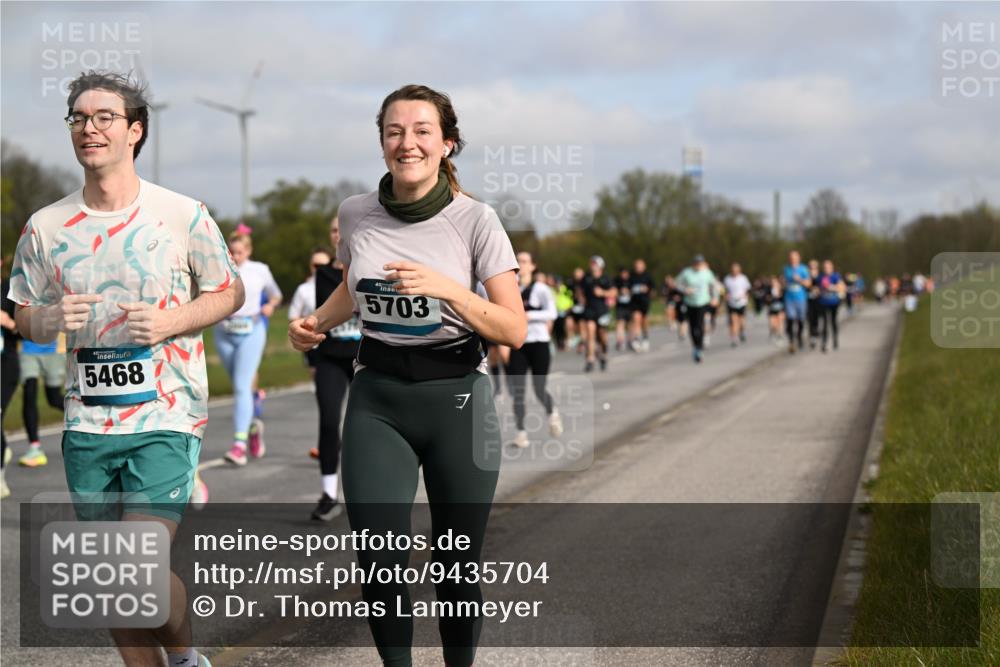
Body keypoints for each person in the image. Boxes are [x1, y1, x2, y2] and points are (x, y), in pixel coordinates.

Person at [9, 70, 242, 667]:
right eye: (78, 118)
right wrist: (49, 319)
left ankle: (185, 659)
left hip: (166, 412)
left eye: (104, 117)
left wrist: (172, 321)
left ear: (135, 131)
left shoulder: (181, 214)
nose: (89, 128)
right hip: (88, 423)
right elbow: (23, 316)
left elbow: (229, 291)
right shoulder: (45, 227)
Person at [288, 84, 525, 667]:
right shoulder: (355, 212)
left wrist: (448, 289)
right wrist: (316, 322)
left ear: (447, 144)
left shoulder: (476, 219)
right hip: (379, 398)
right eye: (394, 131)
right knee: (379, 560)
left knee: (456, 564)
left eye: (422, 131)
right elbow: (355, 288)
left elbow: (513, 329)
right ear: (381, 143)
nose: (407, 142)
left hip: (458, 400)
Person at [289, 239, 361, 520]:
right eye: (334, 230)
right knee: (330, 422)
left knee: (364, 426)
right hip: (329, 359)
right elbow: (305, 319)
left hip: (364, 358)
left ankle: (370, 492)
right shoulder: (320, 278)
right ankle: (329, 495)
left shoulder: (370, 268)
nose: (338, 234)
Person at [217, 232, 281, 466]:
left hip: (252, 331)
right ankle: (253, 425)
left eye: (240, 252)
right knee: (240, 386)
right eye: (232, 252)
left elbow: (276, 295)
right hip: (224, 332)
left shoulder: (260, 270)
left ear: (249, 251)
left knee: (242, 386)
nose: (235, 256)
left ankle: (239, 445)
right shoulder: (218, 268)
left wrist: (270, 306)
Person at [507, 252, 562, 448]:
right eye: (518, 261)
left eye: (524, 261)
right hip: (519, 345)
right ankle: (521, 433)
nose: (520, 265)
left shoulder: (541, 289)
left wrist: (530, 315)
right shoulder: (511, 288)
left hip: (539, 343)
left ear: (532, 266)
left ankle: (552, 413)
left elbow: (552, 313)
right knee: (518, 391)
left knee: (539, 388)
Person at [17, 333, 67, 467]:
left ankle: (83, 419)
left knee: (54, 399)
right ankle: (34, 447)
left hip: (54, 351)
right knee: (29, 393)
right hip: (28, 351)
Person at [676, 255, 718, 363]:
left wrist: (715, 298)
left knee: (700, 325)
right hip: (690, 303)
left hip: (703, 302)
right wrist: (685, 290)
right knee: (692, 326)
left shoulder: (707, 272)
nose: (698, 265)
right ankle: (695, 346)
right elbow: (677, 283)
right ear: (693, 263)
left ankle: (699, 347)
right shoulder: (686, 272)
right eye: (696, 263)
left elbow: (714, 285)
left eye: (700, 263)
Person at [1, 257, 19, 499]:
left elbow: (23, 329)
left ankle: (1, 477)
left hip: (5, 365)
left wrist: (7, 321)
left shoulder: (9, 289)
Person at [579, 255, 614, 372]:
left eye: (595, 264)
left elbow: (614, 292)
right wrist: (581, 298)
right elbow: (580, 290)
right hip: (589, 309)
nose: (593, 266)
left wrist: (603, 292)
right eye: (592, 263)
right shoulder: (586, 278)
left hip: (602, 310)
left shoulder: (606, 278)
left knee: (602, 335)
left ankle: (603, 354)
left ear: (600, 266)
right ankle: (590, 359)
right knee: (590, 333)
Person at [783, 250, 811, 354]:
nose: (793, 259)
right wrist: (783, 283)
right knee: (790, 320)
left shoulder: (803, 269)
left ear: (799, 258)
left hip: (801, 298)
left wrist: (799, 280)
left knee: (801, 320)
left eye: (794, 257)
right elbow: (783, 282)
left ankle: (799, 337)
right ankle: (791, 342)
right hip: (789, 298)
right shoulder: (786, 269)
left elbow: (808, 284)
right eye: (791, 257)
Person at [818, 259, 846, 352]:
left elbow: (842, 287)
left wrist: (831, 287)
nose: (826, 269)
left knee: (833, 321)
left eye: (828, 267)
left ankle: (835, 339)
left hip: (834, 302)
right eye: (825, 267)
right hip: (823, 302)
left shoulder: (836, 276)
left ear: (832, 268)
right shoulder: (820, 276)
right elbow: (817, 287)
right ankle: (824, 342)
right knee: (825, 323)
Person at [723, 262, 752, 347]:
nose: (734, 271)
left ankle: (742, 331)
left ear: (739, 270)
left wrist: (745, 295)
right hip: (731, 303)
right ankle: (734, 339)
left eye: (736, 270)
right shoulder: (727, 279)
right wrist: (726, 295)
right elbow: (724, 290)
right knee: (733, 321)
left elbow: (748, 289)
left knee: (741, 321)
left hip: (741, 302)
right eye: (733, 270)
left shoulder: (743, 278)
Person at [628, 258, 654, 351]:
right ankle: (636, 339)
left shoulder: (648, 276)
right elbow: (628, 288)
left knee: (644, 321)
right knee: (636, 319)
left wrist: (647, 290)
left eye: (640, 266)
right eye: (637, 266)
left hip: (645, 302)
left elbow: (653, 289)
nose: (638, 268)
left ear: (644, 266)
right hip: (635, 302)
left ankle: (645, 337)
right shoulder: (631, 276)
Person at [613, 266, 632, 352]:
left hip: (630, 306)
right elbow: (613, 291)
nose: (624, 275)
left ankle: (630, 340)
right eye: (622, 273)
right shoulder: (616, 281)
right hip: (620, 306)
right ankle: (620, 342)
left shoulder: (631, 281)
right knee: (620, 323)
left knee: (630, 324)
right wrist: (619, 291)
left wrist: (629, 291)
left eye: (625, 273)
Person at [806, 259, 822, 350]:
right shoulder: (806, 276)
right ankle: (812, 337)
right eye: (811, 267)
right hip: (808, 301)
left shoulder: (820, 276)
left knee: (816, 318)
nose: (812, 268)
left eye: (814, 266)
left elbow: (823, 286)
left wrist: (818, 289)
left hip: (818, 301)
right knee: (810, 319)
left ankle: (815, 333)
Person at [765, 276, 786, 345]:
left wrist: (780, 295)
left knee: (780, 323)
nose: (774, 283)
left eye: (775, 282)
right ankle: (773, 333)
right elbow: (766, 299)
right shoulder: (769, 290)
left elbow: (785, 299)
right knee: (773, 324)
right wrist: (770, 298)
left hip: (781, 309)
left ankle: (780, 336)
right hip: (772, 309)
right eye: (772, 282)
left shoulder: (782, 290)